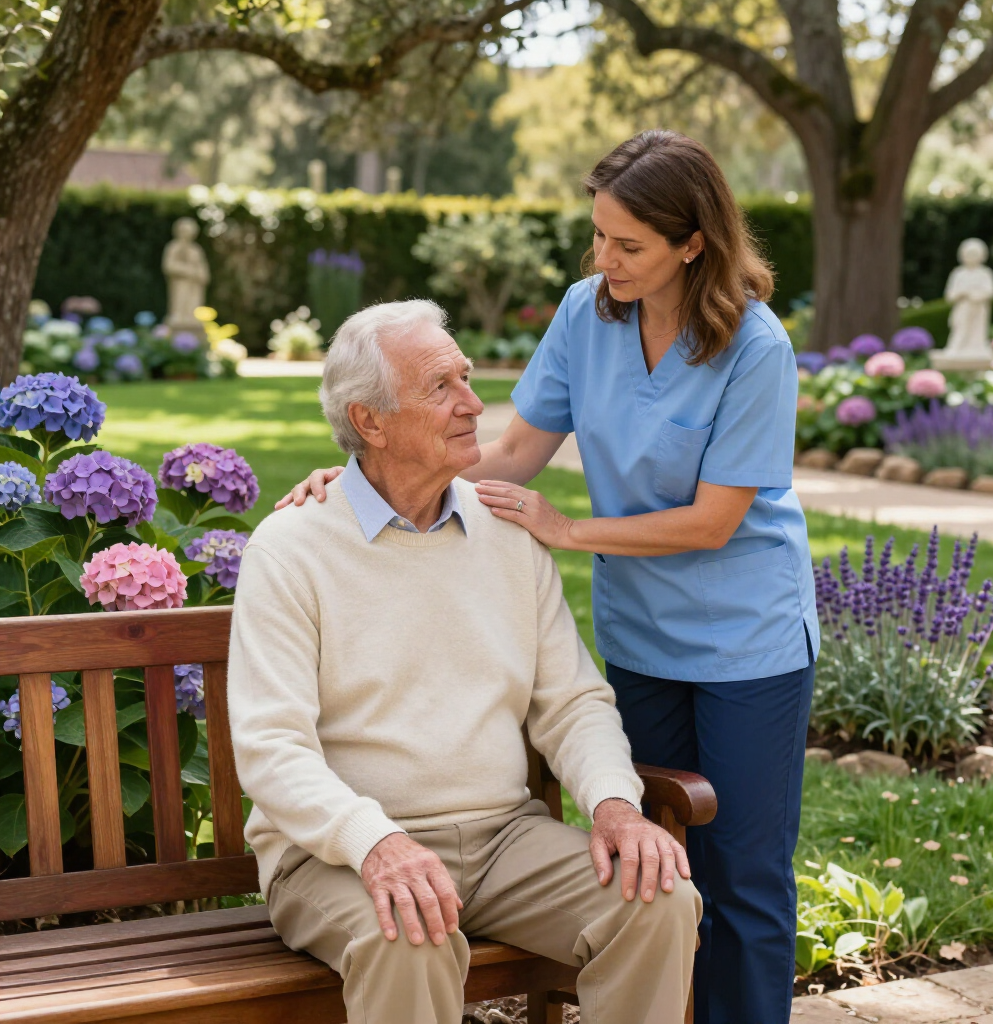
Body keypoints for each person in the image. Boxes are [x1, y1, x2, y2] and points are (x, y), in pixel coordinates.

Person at [280, 130, 820, 1024]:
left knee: (743, 877)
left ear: (694, 243)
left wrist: (568, 531)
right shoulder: (587, 312)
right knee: (662, 865)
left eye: (630, 246)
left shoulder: (755, 348)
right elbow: (519, 448)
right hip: (642, 629)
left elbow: (718, 518)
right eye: (599, 236)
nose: (605, 259)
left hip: (745, 635)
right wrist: (369, 475)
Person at [229, 299, 702, 1024]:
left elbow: (573, 703)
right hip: (340, 856)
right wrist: (378, 843)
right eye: (440, 388)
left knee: (658, 898)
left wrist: (613, 802)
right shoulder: (291, 549)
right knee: (406, 935)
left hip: (504, 838)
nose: (474, 404)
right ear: (370, 421)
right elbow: (271, 748)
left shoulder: (507, 533)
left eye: (467, 378)